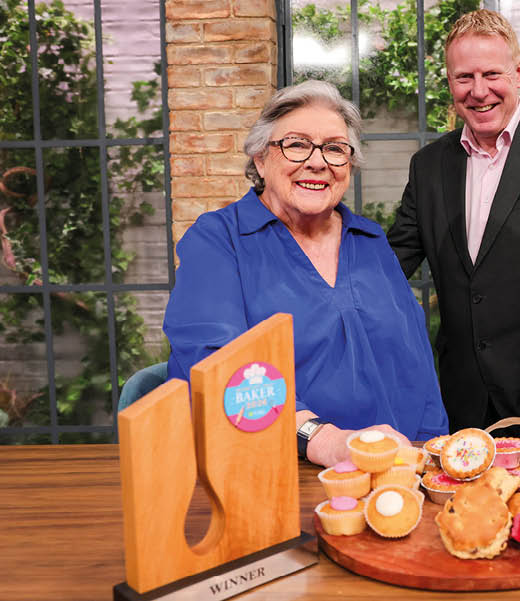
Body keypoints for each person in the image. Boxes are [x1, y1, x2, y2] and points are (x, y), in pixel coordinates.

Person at [163, 80, 448, 466]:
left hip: (390, 468)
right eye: (297, 144)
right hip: (265, 470)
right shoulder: (219, 239)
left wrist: (429, 452)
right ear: (261, 159)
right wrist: (323, 439)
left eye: (334, 148)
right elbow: (214, 363)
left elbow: (416, 363)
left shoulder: (370, 240)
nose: (318, 162)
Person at [387, 10, 520, 437]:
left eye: (491, 74)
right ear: (449, 82)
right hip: (461, 399)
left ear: (518, 72)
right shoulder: (427, 165)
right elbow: (389, 263)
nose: (478, 91)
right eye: (464, 77)